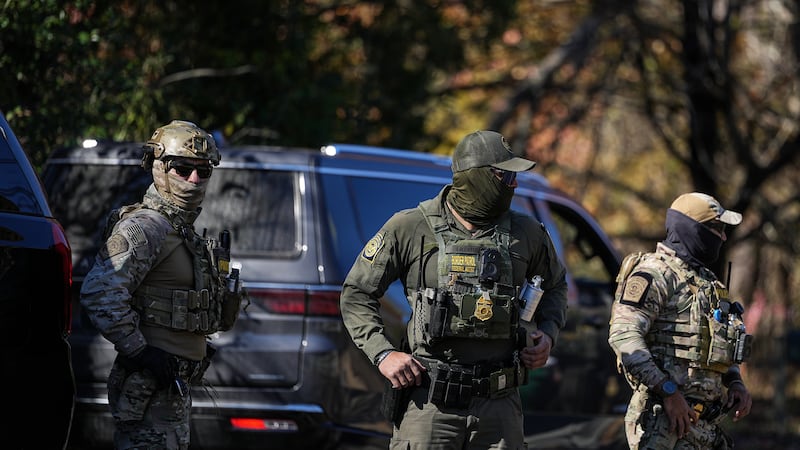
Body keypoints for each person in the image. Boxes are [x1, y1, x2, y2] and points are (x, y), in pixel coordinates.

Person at [340, 130, 568, 449]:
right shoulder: (408, 227)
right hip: (429, 403)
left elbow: (556, 287)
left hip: (499, 406)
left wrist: (547, 335)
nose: (514, 185)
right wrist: (383, 353)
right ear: (475, 177)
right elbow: (357, 294)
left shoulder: (526, 233)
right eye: (504, 176)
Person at [80, 120, 245, 449]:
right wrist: (141, 352)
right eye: (182, 169)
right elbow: (99, 294)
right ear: (157, 167)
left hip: (171, 386)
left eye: (204, 171)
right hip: (148, 386)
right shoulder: (146, 228)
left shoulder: (180, 230)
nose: (194, 180)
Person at [608, 192, 753, 449]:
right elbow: (624, 337)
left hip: (706, 426)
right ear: (692, 229)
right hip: (664, 424)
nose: (723, 237)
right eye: (717, 228)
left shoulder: (709, 284)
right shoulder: (655, 274)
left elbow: (718, 347)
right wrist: (669, 392)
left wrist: (735, 383)